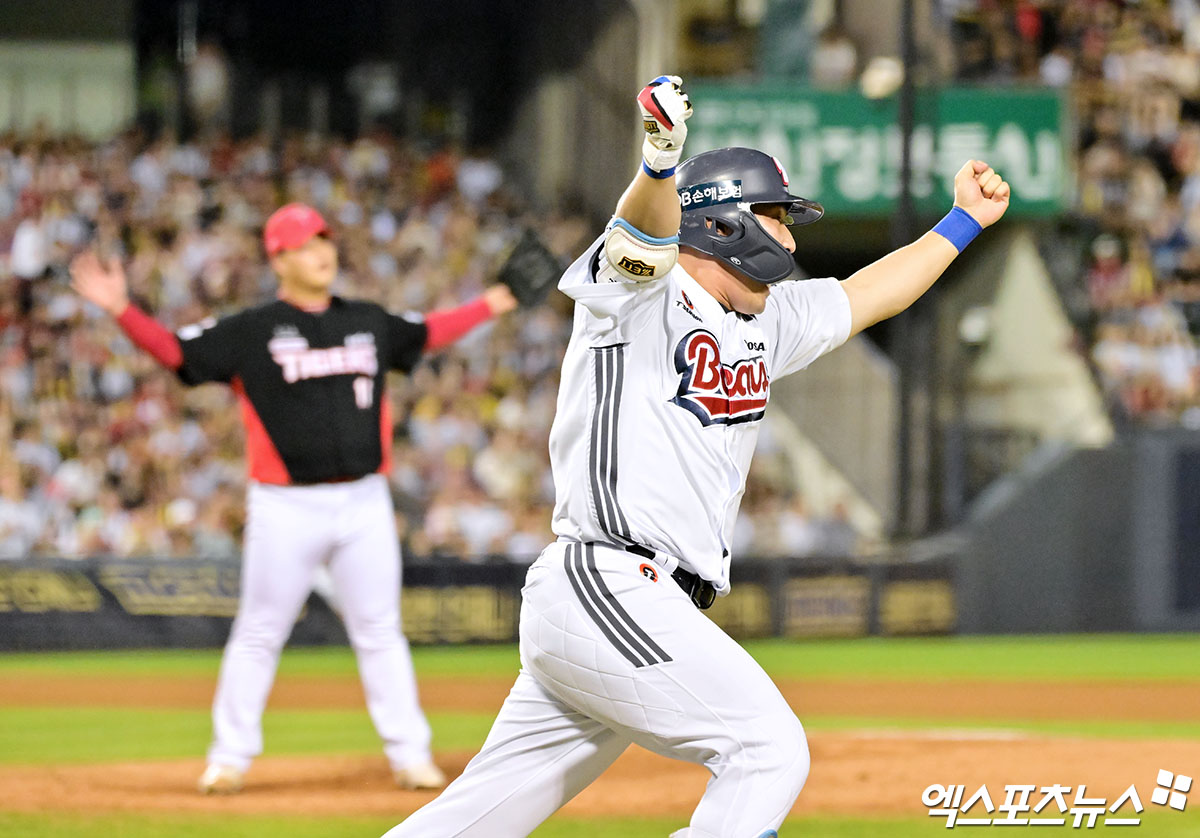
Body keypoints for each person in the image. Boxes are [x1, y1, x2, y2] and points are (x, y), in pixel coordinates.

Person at [383, 76, 1010, 837]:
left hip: (633, 600)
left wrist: (962, 222)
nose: (790, 237)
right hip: (609, 579)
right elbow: (640, 237)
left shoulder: (764, 318)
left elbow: (871, 293)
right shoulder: (640, 295)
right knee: (766, 748)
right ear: (722, 224)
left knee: (474, 820)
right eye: (777, 216)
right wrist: (658, 163)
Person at [69, 202, 521, 794]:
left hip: (364, 501)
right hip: (285, 505)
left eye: (324, 241)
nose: (321, 252)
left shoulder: (366, 319)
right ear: (278, 259)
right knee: (260, 631)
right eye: (306, 245)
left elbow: (430, 332)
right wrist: (121, 310)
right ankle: (229, 758)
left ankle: (411, 755)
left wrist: (494, 302)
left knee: (380, 630)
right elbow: (178, 353)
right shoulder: (252, 330)